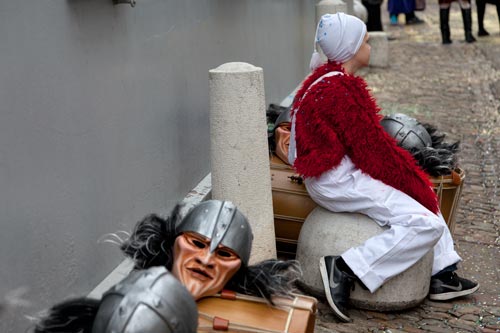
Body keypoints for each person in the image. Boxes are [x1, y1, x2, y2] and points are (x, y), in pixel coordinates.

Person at [293, 13, 478, 323]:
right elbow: (373, 152)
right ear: (351, 47)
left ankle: (442, 274)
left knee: (422, 198)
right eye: (365, 40)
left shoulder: (328, 80)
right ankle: (346, 268)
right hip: (335, 180)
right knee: (425, 222)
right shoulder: (339, 91)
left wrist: (415, 185)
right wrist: (412, 179)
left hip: (338, 172)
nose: (370, 44)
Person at [34, 200, 299, 332]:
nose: (206, 260)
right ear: (174, 243)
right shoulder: (138, 298)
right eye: (196, 243)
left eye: (224, 254)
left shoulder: (258, 313)